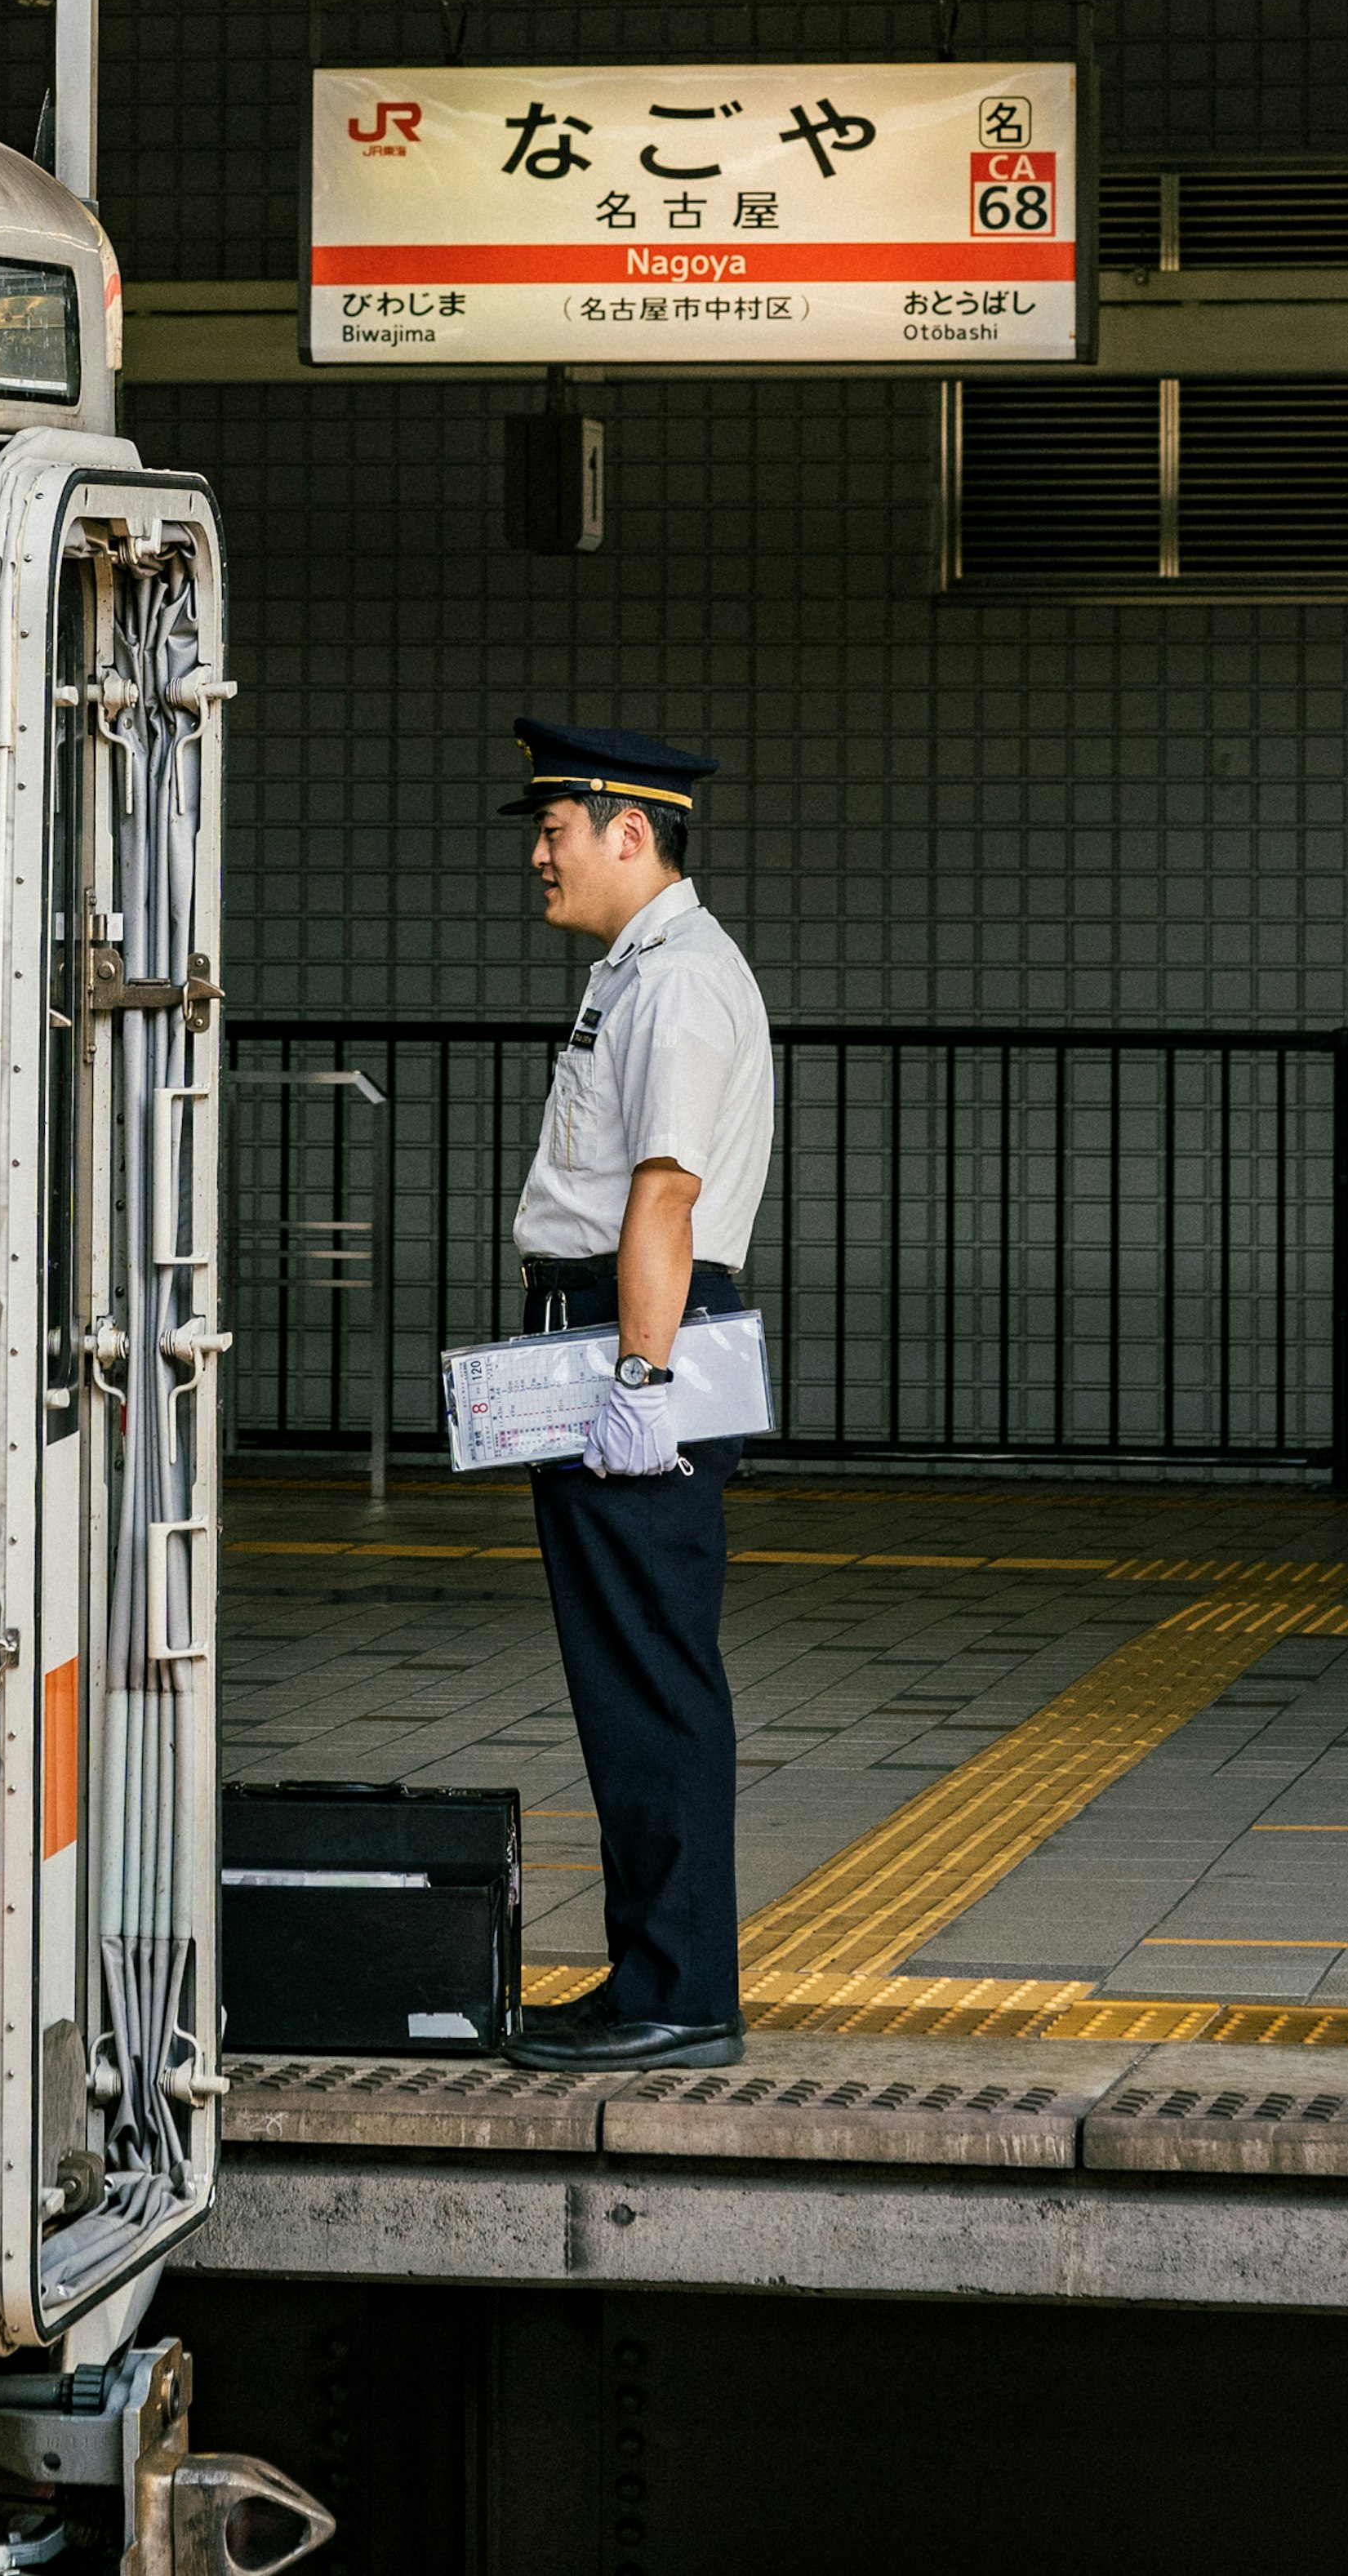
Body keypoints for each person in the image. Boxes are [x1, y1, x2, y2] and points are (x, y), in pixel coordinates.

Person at [494, 717, 773, 2075]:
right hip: (613, 1337)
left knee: (653, 1680)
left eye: (555, 828)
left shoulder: (680, 982)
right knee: (629, 1679)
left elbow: (665, 1190)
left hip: (638, 1341)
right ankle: (655, 1973)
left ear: (630, 830)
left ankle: (675, 1990)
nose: (537, 852)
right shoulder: (641, 969)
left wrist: (644, 1382)